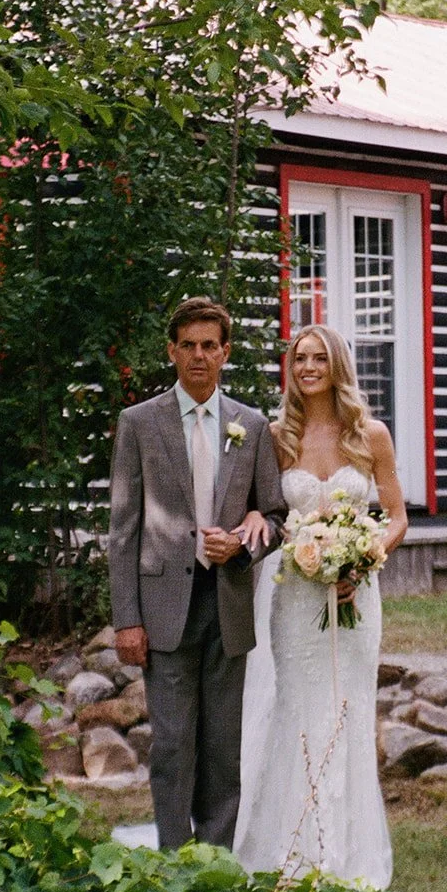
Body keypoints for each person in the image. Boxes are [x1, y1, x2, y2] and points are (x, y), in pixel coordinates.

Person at [108, 297, 287, 850]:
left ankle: (215, 864)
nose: (198, 356)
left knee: (220, 746)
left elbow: (276, 517)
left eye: (210, 345)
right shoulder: (139, 423)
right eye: (187, 345)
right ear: (172, 351)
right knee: (172, 745)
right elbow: (123, 529)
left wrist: (242, 545)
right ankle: (172, 862)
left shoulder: (251, 426)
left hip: (227, 603)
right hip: (163, 610)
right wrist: (126, 619)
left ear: (225, 352)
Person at [234, 324, 408, 888]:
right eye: (298, 358)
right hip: (295, 594)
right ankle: (290, 848)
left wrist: (363, 557)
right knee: (299, 706)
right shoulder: (277, 435)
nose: (307, 367)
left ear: (337, 365)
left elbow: (397, 516)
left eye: (318, 358)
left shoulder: (371, 433)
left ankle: (347, 850)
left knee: (348, 709)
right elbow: (262, 508)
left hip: (357, 596)